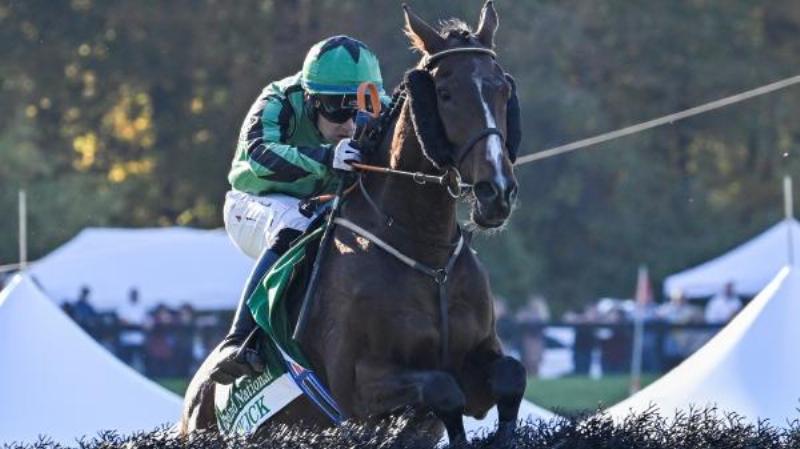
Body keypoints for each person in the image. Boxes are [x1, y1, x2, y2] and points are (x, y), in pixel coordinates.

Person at [211, 35, 386, 384]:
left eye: (360, 109)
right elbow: (259, 154)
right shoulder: (276, 100)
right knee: (295, 222)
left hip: (324, 210)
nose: (350, 125)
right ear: (310, 98)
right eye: (337, 109)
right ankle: (237, 341)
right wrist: (326, 158)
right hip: (254, 204)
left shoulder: (382, 108)